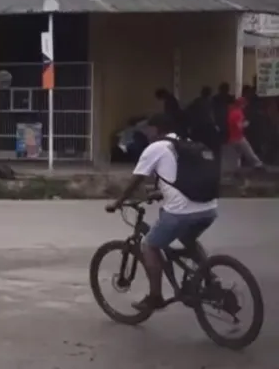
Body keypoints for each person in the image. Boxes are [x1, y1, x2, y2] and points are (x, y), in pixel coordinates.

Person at [106, 113, 219, 312]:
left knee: (149, 246)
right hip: (209, 208)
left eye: (148, 130)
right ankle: (211, 279)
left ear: (156, 129)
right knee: (189, 239)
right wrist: (161, 192)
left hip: (181, 212)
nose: (147, 134)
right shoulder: (186, 144)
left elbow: (137, 179)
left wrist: (118, 202)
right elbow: (182, 177)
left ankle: (155, 297)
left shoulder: (155, 148)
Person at [224, 95, 265, 172]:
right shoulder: (238, 113)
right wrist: (246, 124)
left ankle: (236, 169)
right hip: (239, 137)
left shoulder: (231, 112)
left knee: (237, 154)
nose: (245, 106)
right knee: (248, 151)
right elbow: (239, 126)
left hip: (232, 138)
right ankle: (258, 164)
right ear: (241, 104)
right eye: (244, 104)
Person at [185, 86, 219, 155]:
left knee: (198, 146)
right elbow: (211, 116)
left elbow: (188, 111)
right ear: (209, 94)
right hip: (207, 128)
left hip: (197, 128)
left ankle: (200, 160)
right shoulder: (211, 102)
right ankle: (208, 161)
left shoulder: (197, 101)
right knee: (210, 147)